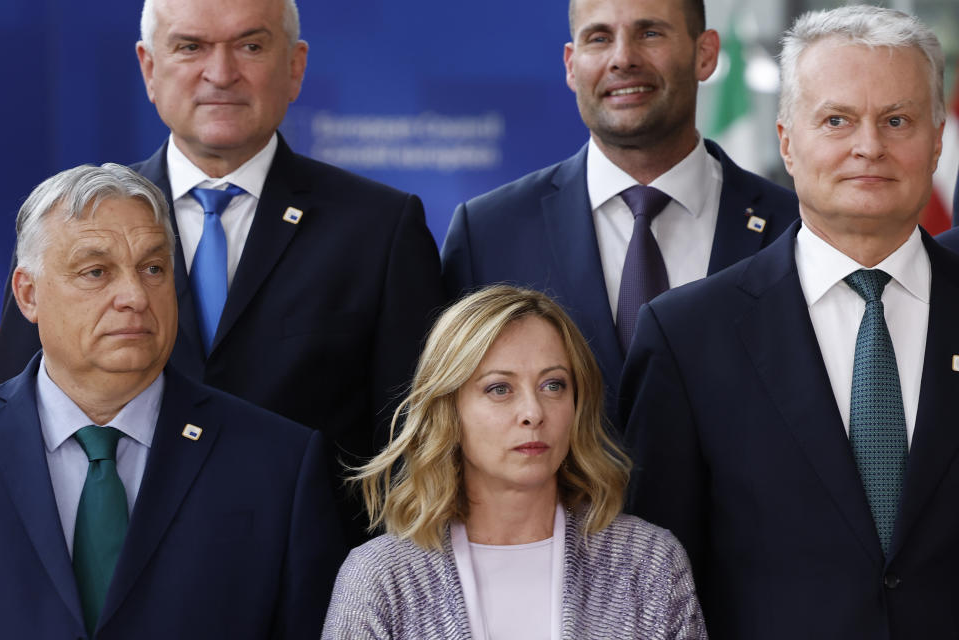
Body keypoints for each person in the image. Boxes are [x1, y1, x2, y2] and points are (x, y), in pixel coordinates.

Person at [0, 0, 446, 545]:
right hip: (104, 573)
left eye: (251, 46)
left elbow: (417, 452)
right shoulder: (72, 226)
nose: (221, 73)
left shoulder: (382, 228)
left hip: (314, 593)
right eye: (191, 47)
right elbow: (18, 419)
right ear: (148, 67)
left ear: (296, 66)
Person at [620, 6, 954, 639]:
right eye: (836, 120)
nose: (869, 146)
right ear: (786, 142)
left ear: (936, 139)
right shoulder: (687, 339)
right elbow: (657, 582)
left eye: (898, 120)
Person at [0, 163, 343, 638]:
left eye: (153, 268)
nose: (135, 296)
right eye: (96, 271)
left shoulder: (279, 464)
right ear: (28, 294)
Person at [440, 0, 799, 429]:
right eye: (599, 38)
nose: (623, 58)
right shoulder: (488, 234)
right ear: (572, 66)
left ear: (704, 54)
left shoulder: (794, 227)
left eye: (650, 33)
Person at [322, 285, 706, 639]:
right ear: (449, 410)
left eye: (553, 385)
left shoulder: (648, 562)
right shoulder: (380, 576)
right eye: (499, 389)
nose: (533, 412)